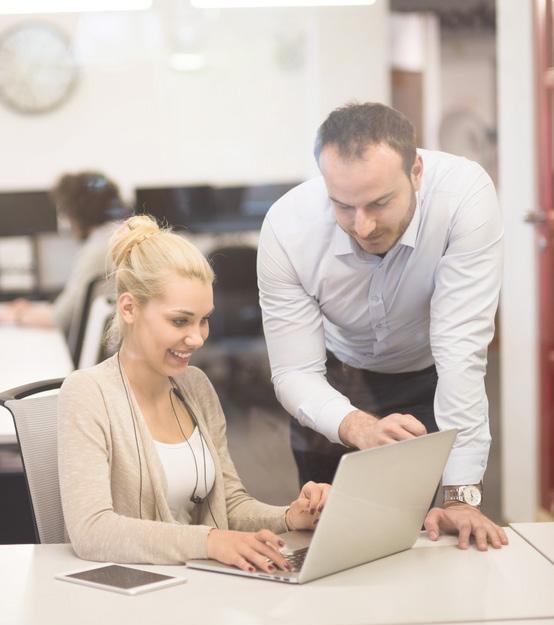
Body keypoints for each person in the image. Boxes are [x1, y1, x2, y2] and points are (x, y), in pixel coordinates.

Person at [257, 102, 508, 552]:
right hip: (334, 378)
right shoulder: (287, 227)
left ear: (415, 171)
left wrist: (462, 497)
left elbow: (460, 353)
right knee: (329, 535)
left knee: (428, 538)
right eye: (343, 206)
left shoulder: (464, 196)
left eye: (379, 203)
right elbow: (294, 372)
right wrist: (357, 426)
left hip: (429, 371)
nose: (363, 225)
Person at [58, 215, 330, 572]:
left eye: (204, 319)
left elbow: (228, 505)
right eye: (180, 321)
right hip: (129, 596)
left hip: (197, 582)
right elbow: (92, 531)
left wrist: (290, 517)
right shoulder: (87, 393)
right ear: (129, 309)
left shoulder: (195, 386)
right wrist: (209, 542)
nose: (198, 338)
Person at [0, 171, 127, 336]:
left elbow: (60, 318)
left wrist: (16, 315)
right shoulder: (116, 235)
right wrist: (33, 310)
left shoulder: (97, 250)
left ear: (75, 213)